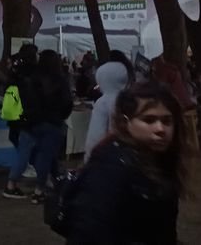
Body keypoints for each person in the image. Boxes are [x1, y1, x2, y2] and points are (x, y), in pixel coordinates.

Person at [64, 82, 186, 244]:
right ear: (125, 122)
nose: (160, 129)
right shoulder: (110, 166)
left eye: (167, 121)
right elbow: (90, 231)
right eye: (149, 120)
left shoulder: (158, 160)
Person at [4, 49, 73, 201]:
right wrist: (61, 116)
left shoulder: (31, 79)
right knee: (45, 155)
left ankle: (12, 183)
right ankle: (39, 189)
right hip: (52, 122)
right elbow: (67, 102)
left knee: (25, 153)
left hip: (31, 122)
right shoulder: (59, 80)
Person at [83, 58, 130, 152]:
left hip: (106, 153)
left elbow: (96, 134)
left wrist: (90, 155)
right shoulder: (128, 100)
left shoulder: (102, 102)